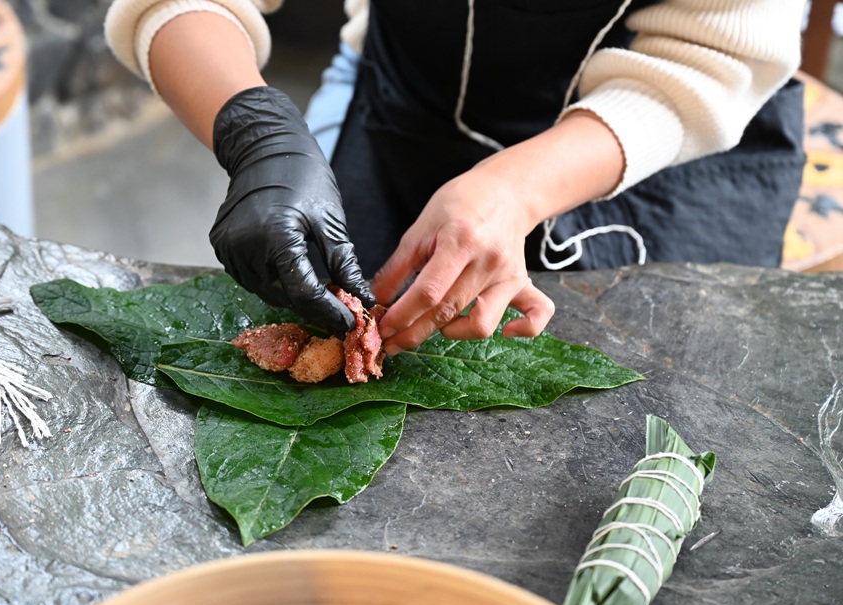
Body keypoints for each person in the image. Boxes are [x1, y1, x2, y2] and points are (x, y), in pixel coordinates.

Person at [104, 0, 807, 356]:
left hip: (666, 131)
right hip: (414, 101)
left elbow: (711, 55)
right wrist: (257, 132)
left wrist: (518, 188)